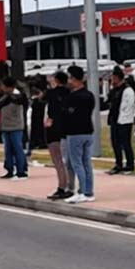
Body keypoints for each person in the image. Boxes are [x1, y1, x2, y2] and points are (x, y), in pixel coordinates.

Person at [63, 65, 96, 203]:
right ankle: (89, 191)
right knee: (86, 162)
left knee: (77, 163)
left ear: (74, 78)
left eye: (70, 78)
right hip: (88, 130)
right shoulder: (90, 95)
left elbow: (67, 113)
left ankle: (82, 191)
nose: (69, 81)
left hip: (75, 132)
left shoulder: (73, 97)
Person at [44, 71, 74, 200]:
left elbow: (49, 111)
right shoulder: (70, 93)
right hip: (67, 129)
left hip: (54, 129)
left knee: (58, 160)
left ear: (55, 80)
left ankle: (62, 186)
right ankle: (70, 185)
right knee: (69, 160)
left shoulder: (51, 94)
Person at [0, 76, 29, 180]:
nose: (1, 87)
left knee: (18, 148)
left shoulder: (16, 96)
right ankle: (10, 169)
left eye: (3, 85)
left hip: (16, 126)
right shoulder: (6, 96)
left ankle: (21, 171)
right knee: (8, 149)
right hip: (6, 126)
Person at [106, 66, 135, 175]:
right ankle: (118, 164)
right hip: (115, 119)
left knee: (125, 143)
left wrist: (123, 118)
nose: (112, 80)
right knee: (115, 143)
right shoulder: (114, 90)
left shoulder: (127, 90)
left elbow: (127, 107)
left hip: (125, 121)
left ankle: (130, 164)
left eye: (114, 78)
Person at [28, 77, 48, 160]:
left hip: (39, 117)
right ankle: (38, 142)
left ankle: (39, 142)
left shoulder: (40, 101)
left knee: (38, 128)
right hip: (37, 117)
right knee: (37, 128)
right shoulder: (38, 100)